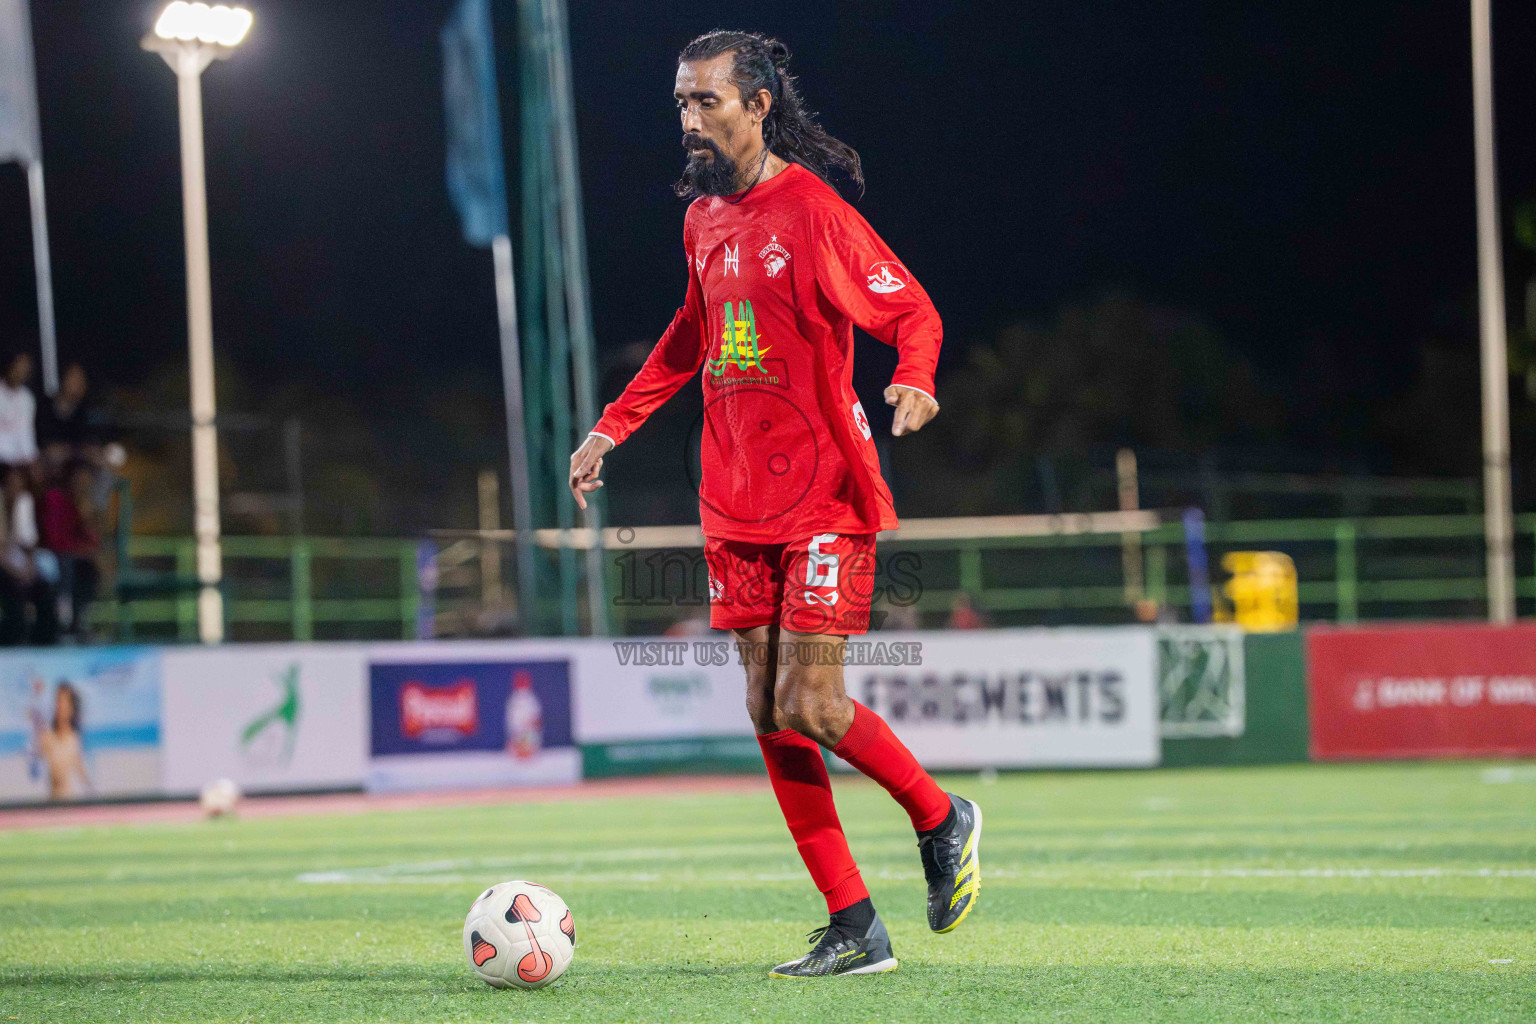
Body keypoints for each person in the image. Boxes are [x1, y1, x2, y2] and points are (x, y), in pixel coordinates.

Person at [567, 31, 980, 979]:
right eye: (680, 103)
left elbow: (910, 307)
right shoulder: (703, 219)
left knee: (811, 701)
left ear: (758, 105)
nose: (690, 119)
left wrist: (915, 376)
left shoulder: (814, 212)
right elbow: (688, 333)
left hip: (825, 493)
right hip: (733, 499)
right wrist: (610, 429)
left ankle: (938, 812)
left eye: (707, 101)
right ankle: (852, 923)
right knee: (765, 706)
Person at [41, 461, 103, 638]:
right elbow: (53, 538)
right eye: (79, 479)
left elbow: (93, 541)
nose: (83, 484)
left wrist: (85, 516)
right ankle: (63, 622)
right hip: (49, 552)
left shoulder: (84, 504)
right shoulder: (54, 498)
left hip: (74, 554)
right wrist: (78, 549)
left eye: (86, 481)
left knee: (89, 569)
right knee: (66, 565)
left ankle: (80, 620)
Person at [0, 463, 58, 645]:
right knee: (14, 589)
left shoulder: (24, 502)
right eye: (11, 484)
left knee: (43, 588)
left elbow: (28, 543)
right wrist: (18, 572)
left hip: (15, 560)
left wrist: (30, 567)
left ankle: (43, 641)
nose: (15, 489)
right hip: (4, 564)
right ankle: (11, 640)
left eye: (19, 484)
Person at [39, 680, 90, 800]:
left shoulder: (74, 738)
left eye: (65, 701)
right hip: (52, 803)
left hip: (72, 804)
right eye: (58, 700)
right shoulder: (46, 737)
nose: (61, 706)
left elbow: (81, 771)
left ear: (72, 706)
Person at [0, 352, 38, 471]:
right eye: (18, 366)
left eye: (24, 368)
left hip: (17, 462)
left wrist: (31, 459)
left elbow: (26, 434)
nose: (19, 371)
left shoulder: (27, 398)